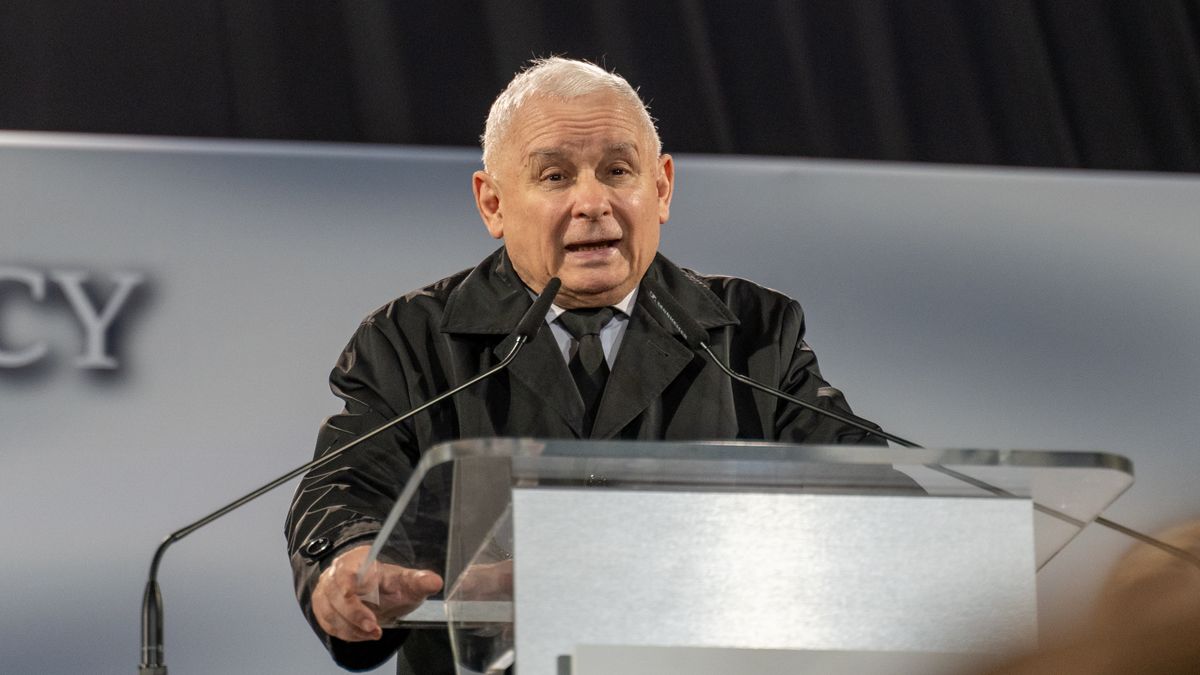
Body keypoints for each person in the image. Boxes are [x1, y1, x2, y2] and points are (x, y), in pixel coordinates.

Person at [285, 57, 883, 674]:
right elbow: (344, 487)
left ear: (661, 188)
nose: (593, 202)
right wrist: (349, 560)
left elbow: (870, 499)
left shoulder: (754, 333)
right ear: (492, 203)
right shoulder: (408, 340)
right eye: (555, 176)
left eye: (618, 171)